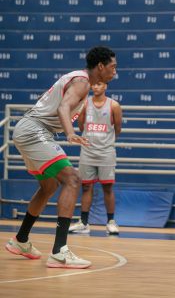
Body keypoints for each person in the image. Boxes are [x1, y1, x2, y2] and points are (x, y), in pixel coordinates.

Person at [4, 46, 117, 269]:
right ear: (101, 66)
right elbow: (63, 107)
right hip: (34, 130)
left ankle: (21, 240)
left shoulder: (77, 79)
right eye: (113, 67)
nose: (115, 72)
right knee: (72, 179)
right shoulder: (83, 82)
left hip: (31, 129)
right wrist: (70, 133)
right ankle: (59, 252)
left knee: (49, 186)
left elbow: (52, 101)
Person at [68, 81, 122, 235]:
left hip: (106, 153)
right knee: (86, 187)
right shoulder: (85, 104)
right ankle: (84, 223)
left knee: (107, 187)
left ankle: (111, 222)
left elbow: (118, 129)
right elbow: (80, 126)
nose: (96, 87)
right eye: (94, 85)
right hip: (87, 152)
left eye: (99, 84)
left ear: (105, 86)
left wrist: (105, 141)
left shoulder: (114, 106)